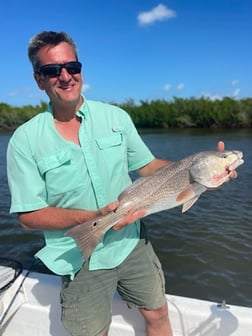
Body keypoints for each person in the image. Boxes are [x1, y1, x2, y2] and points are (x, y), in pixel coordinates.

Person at [6, 31, 236, 336]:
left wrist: (199, 169)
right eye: (52, 70)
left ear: (81, 70)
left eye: (72, 67)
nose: (65, 76)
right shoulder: (24, 141)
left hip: (132, 243)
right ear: (39, 80)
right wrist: (92, 219)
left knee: (157, 312)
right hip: (78, 255)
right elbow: (28, 216)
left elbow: (150, 168)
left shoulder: (116, 117)